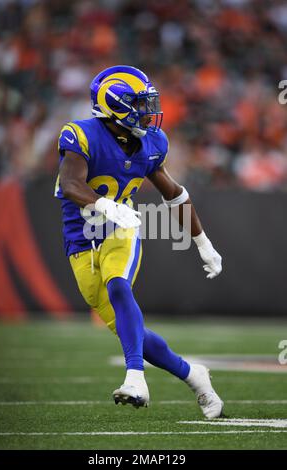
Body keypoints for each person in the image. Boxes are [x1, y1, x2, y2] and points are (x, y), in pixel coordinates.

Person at [55, 65, 223, 418]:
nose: (149, 112)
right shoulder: (81, 134)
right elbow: (70, 185)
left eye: (149, 103)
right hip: (81, 240)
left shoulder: (152, 143)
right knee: (132, 333)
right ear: (115, 105)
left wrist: (202, 242)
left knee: (119, 286)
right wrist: (105, 205)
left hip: (122, 230)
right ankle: (195, 375)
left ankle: (135, 378)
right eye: (140, 104)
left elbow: (175, 195)